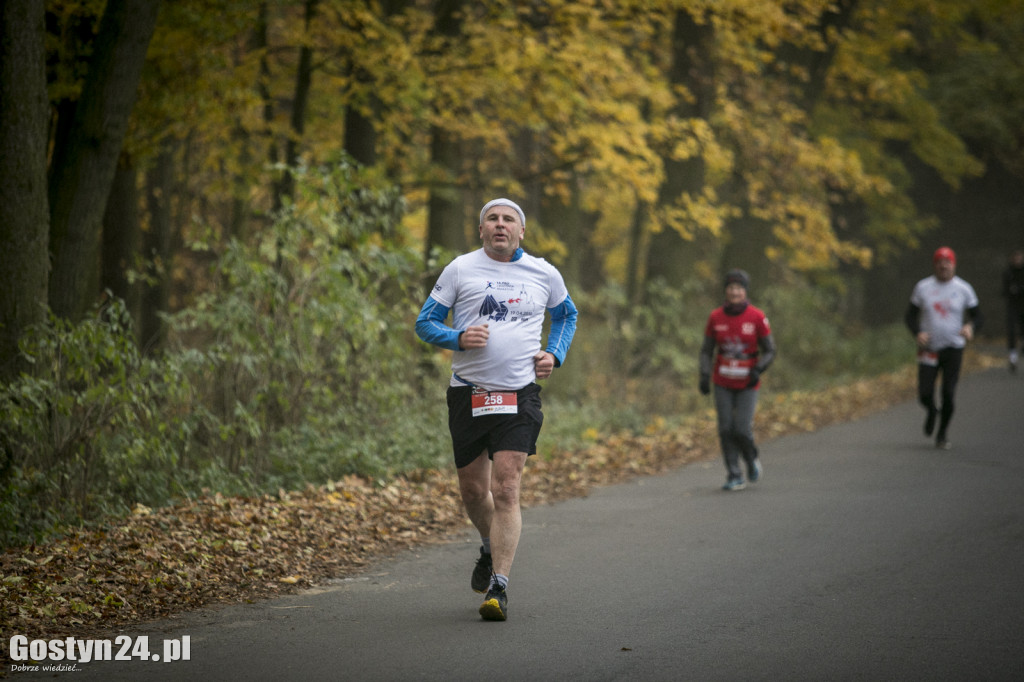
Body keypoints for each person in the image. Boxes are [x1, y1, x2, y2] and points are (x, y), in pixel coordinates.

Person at [415, 198, 577, 622]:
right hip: (468, 394)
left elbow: (566, 316)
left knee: (506, 488)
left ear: (521, 231)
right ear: (482, 229)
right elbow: (425, 322)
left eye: (509, 220)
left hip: (519, 395)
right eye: (493, 218)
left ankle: (498, 588)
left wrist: (554, 355)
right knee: (474, 492)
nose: (500, 225)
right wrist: (457, 338)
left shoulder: (543, 272)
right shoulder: (460, 269)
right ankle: (488, 548)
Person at [699, 269, 776, 491]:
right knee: (725, 428)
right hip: (722, 380)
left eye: (739, 288)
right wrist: (704, 375)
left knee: (741, 428)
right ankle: (734, 473)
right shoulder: (715, 317)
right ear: (725, 291)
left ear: (745, 291)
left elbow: (770, 350)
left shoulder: (757, 317)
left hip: (748, 382)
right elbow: (706, 350)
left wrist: (758, 369)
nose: (735, 292)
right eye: (731, 288)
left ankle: (751, 458)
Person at [904, 246, 982, 449]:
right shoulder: (923, 287)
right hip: (929, 347)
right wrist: (917, 332)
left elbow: (978, 316)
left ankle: (942, 434)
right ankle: (932, 410)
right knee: (924, 393)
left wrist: (970, 327)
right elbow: (910, 316)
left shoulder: (963, 288)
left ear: (954, 265)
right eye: (940, 262)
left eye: (947, 262)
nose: (943, 266)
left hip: (953, 348)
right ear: (934, 265)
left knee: (948, 392)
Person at [1001, 248, 1024, 373]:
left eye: (1019, 258)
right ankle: (1012, 356)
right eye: (1015, 258)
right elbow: (1005, 290)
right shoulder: (1008, 272)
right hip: (1012, 306)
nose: (1017, 261)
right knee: (1011, 330)